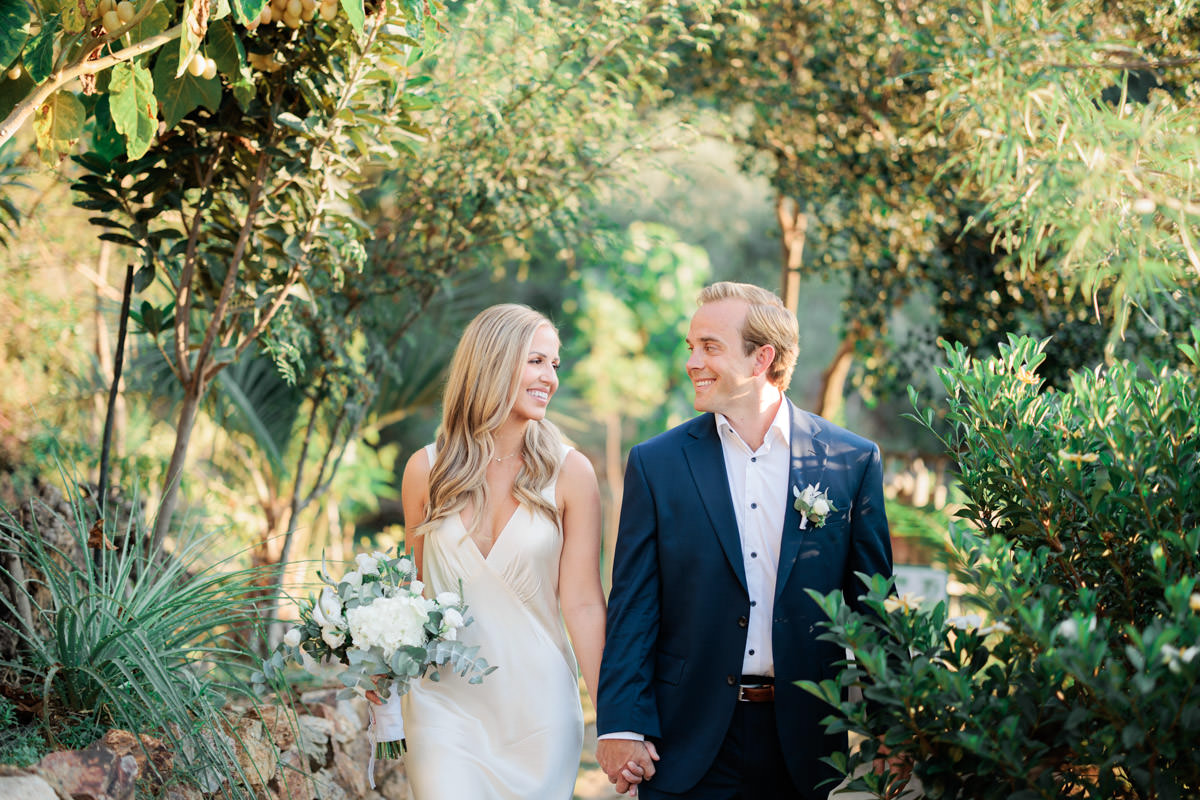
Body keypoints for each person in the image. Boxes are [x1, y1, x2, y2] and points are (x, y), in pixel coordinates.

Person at [595, 281, 894, 799]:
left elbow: (872, 607)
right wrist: (621, 724)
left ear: (762, 359)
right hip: (684, 739)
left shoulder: (851, 461)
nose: (692, 362)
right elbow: (634, 606)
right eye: (692, 347)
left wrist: (894, 726)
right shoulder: (657, 464)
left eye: (710, 347)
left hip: (804, 741)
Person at [396, 303, 616, 798]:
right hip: (442, 705)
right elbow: (409, 597)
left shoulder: (571, 473)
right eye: (537, 361)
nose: (550, 378)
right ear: (493, 361)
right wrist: (379, 664)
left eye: (554, 364)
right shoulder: (425, 471)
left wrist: (615, 718)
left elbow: (582, 603)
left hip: (540, 712)